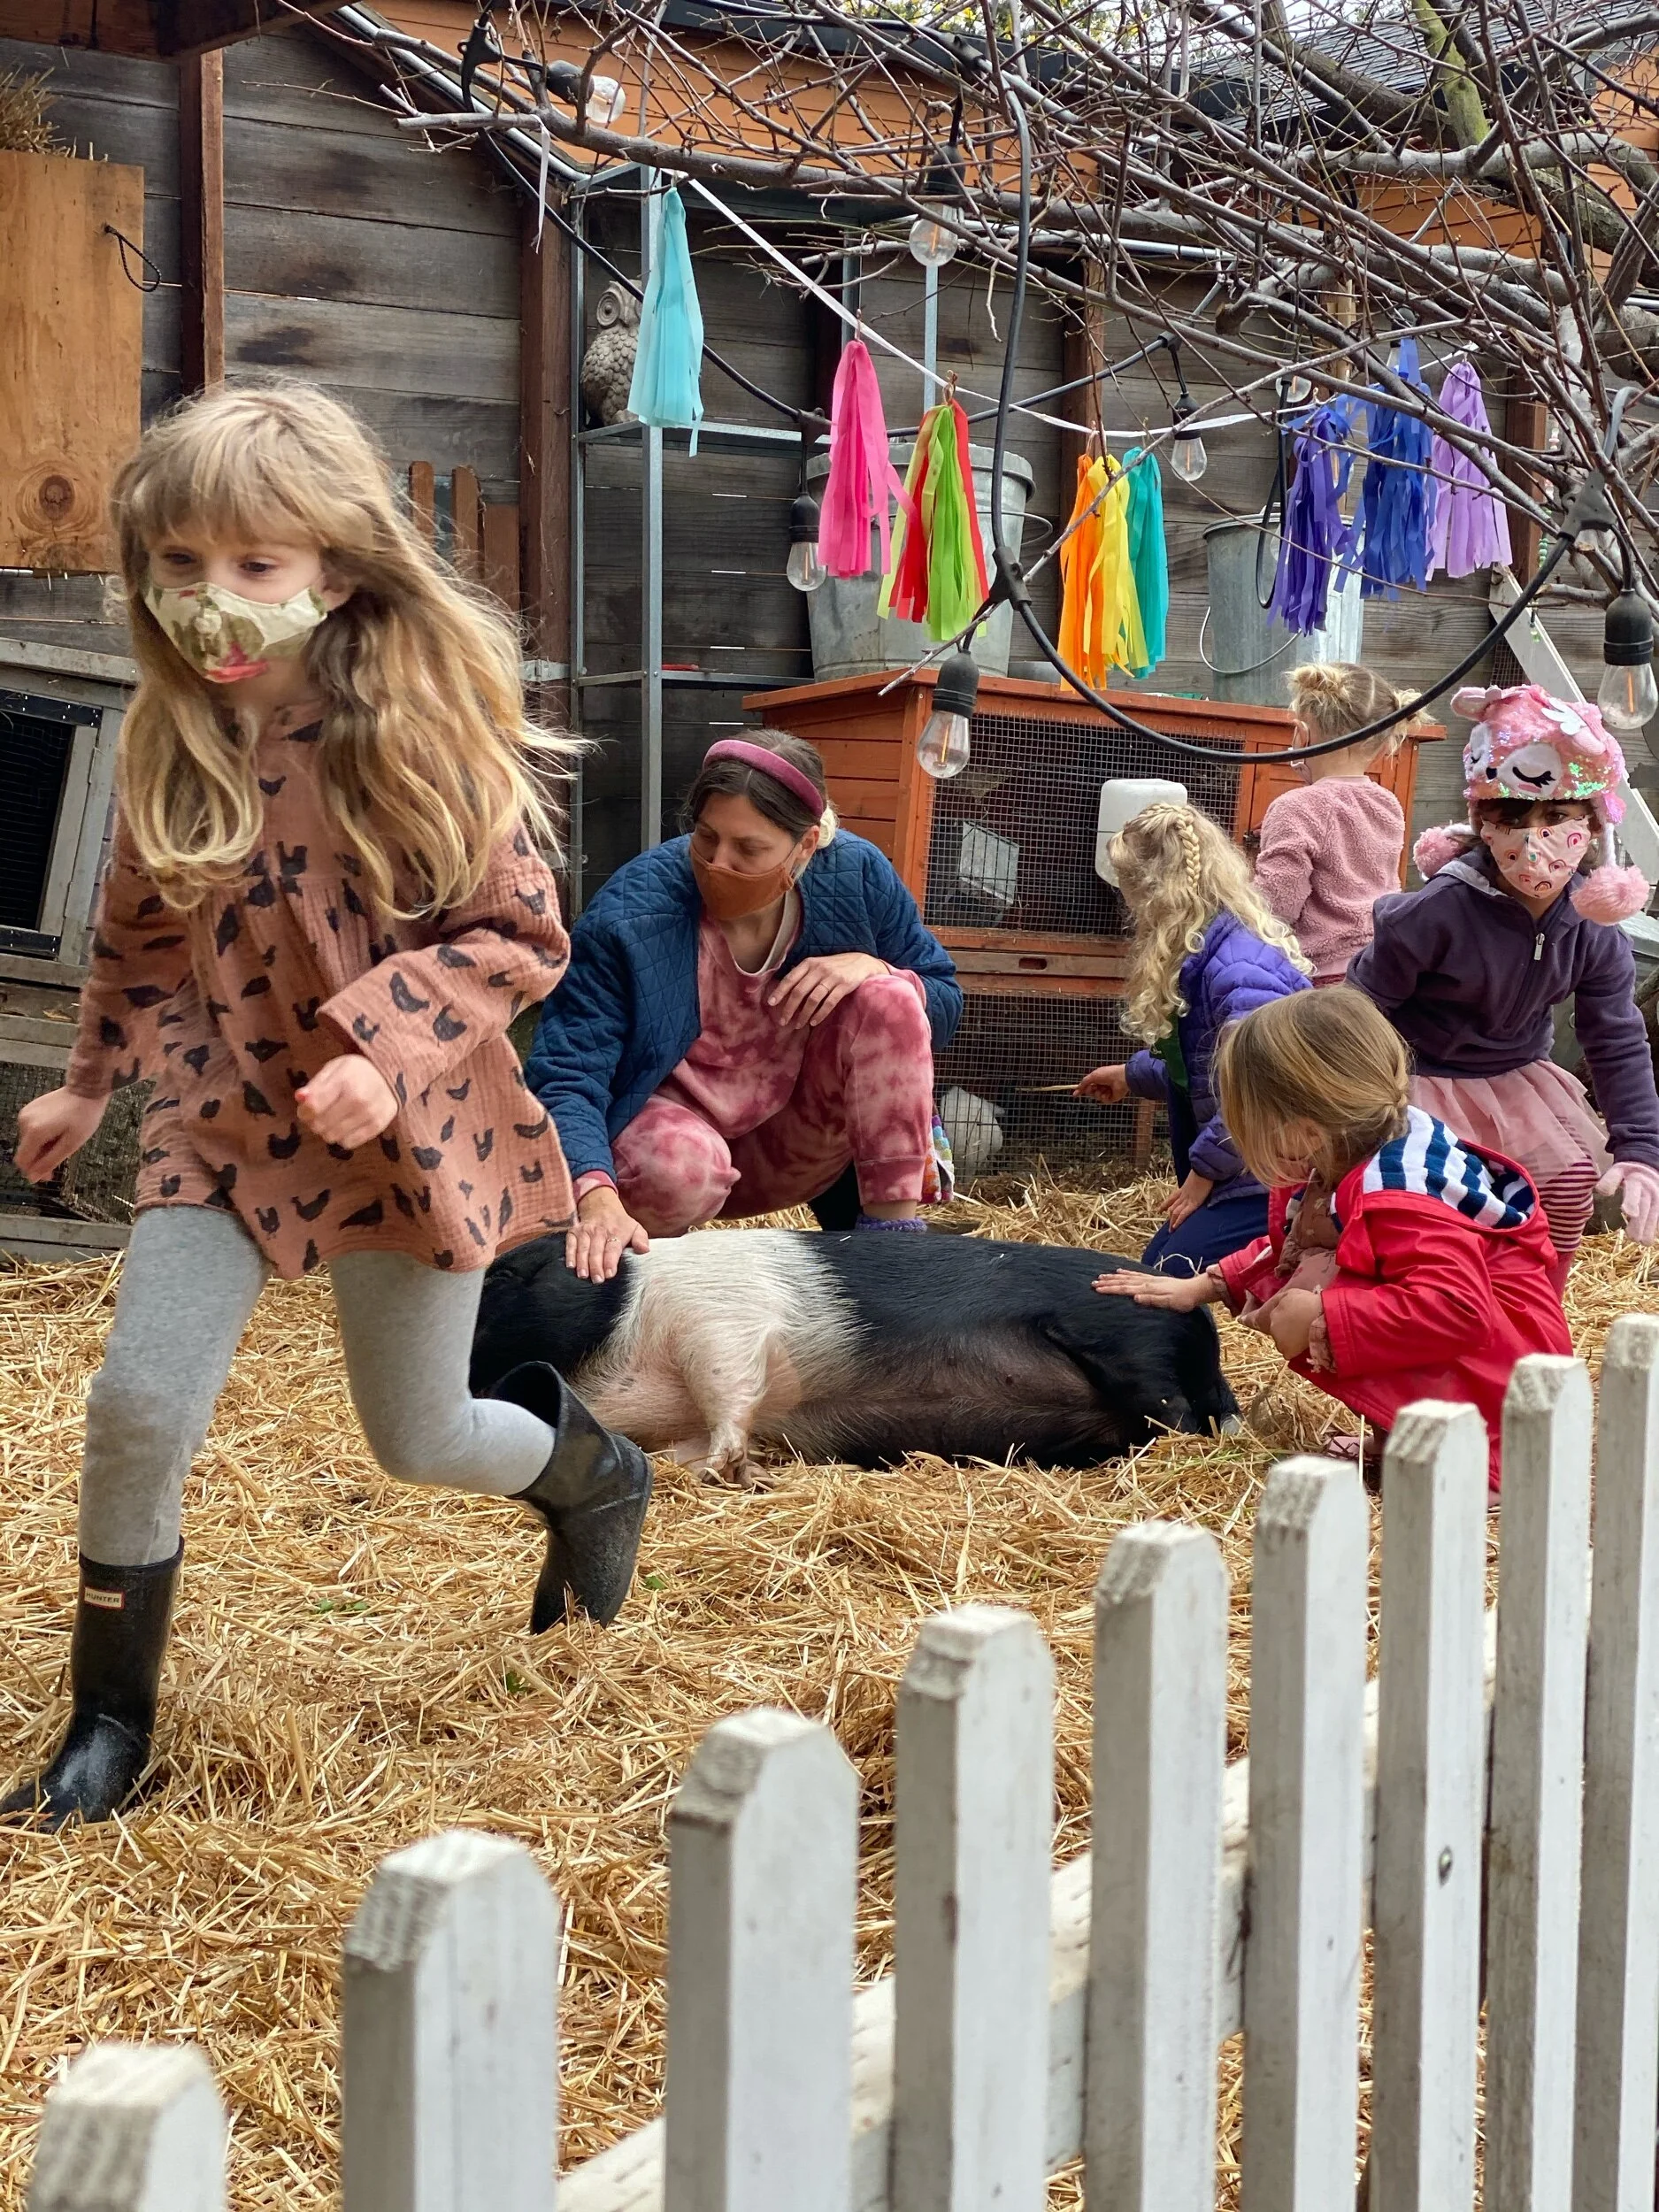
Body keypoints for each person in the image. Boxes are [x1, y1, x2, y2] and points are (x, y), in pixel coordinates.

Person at [4, 383, 651, 1830]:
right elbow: (136, 930)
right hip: (222, 1121)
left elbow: (520, 934)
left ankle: (587, 1471)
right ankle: (108, 1723)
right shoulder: (175, 739)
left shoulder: (410, 738)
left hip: (401, 1137)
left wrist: (387, 1046)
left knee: (417, 1436)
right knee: (136, 1406)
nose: (210, 601)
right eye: (178, 566)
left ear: (334, 574)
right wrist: (90, 1082)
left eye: (252, 567)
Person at [525, 731, 962, 1283]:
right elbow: (566, 1074)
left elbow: (943, 1002)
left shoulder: (856, 875)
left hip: (803, 1143)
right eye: (706, 838)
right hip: (671, 1156)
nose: (719, 864)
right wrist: (593, 1193)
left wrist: (875, 968)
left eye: (749, 849)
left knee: (894, 995)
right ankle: (647, 1291)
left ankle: (890, 1253)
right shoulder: (631, 913)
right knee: (677, 1169)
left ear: (805, 846)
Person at [1094, 987, 1572, 1491]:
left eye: (1252, 1123)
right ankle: (1402, 1437)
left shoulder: (1399, 1200)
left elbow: (1457, 1310)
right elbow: (1296, 1248)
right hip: (1487, 1356)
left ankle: (1482, 1468)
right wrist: (1205, 1286)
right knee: (1340, 1286)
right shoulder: (1353, 1151)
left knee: (1344, 1302)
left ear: (1305, 1131)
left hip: (1502, 1382)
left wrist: (1325, 1319)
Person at [1349, 683, 1659, 1294]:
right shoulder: (1434, 912)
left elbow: (1615, 1039)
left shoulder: (1592, 926)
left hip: (1519, 1077)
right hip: (1421, 1078)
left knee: (1567, 1184)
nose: (1533, 839)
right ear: (1482, 823)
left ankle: (1531, 1306)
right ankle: (1432, 1308)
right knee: (1441, 1210)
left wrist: (1640, 1150)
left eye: (1555, 817)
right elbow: (1357, 1012)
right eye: (1512, 818)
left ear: (1591, 824)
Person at [1075, 802, 1310, 1275]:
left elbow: (1260, 1094)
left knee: (1168, 1269)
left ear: (1156, 891)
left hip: (1276, 1168)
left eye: (1129, 890)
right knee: (1162, 1267)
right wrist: (1131, 1075)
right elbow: (1204, 1068)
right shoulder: (1209, 953)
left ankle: (1290, 1248)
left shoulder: (1238, 972)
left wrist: (1203, 1175)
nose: (1127, 904)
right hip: (1247, 1159)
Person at [1252, 661, 1413, 981]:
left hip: (1319, 979)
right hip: (1381, 971)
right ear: (1383, 746)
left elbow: (1277, 905)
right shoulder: (1388, 803)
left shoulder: (1296, 807)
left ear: (1302, 734)